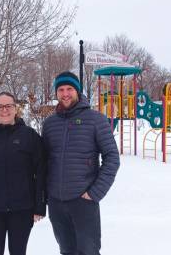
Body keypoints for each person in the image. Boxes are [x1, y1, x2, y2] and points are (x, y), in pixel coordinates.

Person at [42, 71, 120, 255]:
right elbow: (43, 160)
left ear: (77, 91)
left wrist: (94, 193)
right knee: (66, 250)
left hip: (83, 201)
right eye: (60, 89)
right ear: (56, 93)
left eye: (69, 89)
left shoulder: (95, 120)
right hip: (56, 202)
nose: (65, 93)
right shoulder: (50, 123)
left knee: (88, 251)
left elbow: (112, 158)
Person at [0, 92, 46, 255]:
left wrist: (40, 205)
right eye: (0, 106)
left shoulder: (29, 136)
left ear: (15, 108)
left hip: (22, 210)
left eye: (8, 106)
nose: (4, 110)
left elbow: (41, 171)